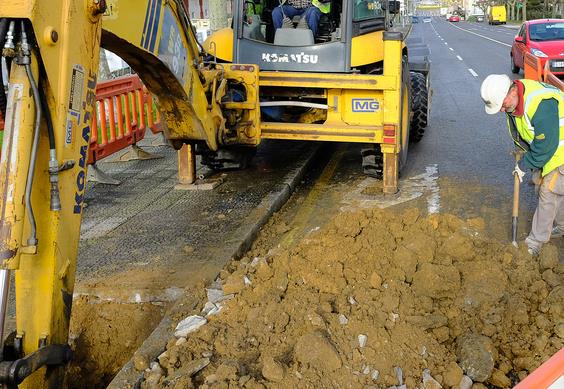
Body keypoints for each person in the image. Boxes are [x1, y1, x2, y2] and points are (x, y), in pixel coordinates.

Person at [480, 74, 564, 255]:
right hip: (548, 149)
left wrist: (525, 165)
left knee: (548, 193)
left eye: (502, 105)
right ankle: (563, 226)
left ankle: (534, 244)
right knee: (547, 189)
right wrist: (523, 152)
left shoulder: (541, 104)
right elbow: (522, 130)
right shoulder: (516, 99)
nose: (501, 110)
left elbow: (546, 145)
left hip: (558, 151)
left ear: (511, 91)